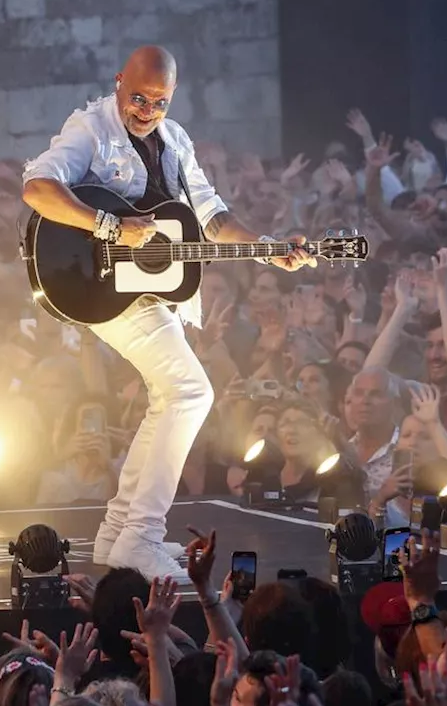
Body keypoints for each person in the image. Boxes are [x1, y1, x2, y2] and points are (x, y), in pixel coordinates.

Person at [21, 45, 314, 581]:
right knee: (190, 392)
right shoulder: (89, 128)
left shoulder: (175, 139)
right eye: (138, 97)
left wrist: (268, 247)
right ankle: (142, 536)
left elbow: (212, 217)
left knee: (171, 396)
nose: (146, 110)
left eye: (159, 101)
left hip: (151, 291)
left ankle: (117, 534)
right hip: (98, 283)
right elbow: (38, 189)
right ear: (118, 84)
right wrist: (109, 226)